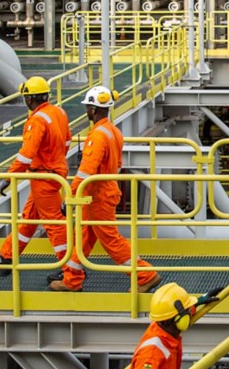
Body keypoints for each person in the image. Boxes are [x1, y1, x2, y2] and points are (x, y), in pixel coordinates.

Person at [50, 85, 161, 292]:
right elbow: (117, 165)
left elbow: (86, 171)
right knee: (84, 236)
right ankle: (71, 279)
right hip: (103, 190)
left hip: (97, 195)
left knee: (110, 239)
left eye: (88, 107)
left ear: (93, 109)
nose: (86, 111)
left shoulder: (98, 135)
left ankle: (146, 275)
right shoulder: (114, 132)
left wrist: (70, 196)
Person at [0, 76, 71, 270]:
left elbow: (27, 154)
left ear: (29, 99)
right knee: (29, 219)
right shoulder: (58, 111)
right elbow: (67, 141)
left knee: (54, 224)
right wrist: (55, 159)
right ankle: (7, 256)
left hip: (44, 176)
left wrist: (9, 177)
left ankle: (71, 268)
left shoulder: (37, 120)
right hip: (51, 172)